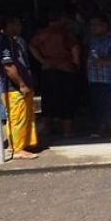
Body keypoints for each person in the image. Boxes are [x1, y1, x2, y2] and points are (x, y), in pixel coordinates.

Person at [30, 9, 81, 138]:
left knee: (48, 100)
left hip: (47, 68)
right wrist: (76, 64)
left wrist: (42, 60)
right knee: (66, 100)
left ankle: (47, 128)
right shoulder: (66, 33)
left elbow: (31, 45)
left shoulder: (42, 33)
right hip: (65, 68)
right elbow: (75, 49)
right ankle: (67, 131)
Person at [0, 15, 38, 160]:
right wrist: (21, 84)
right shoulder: (4, 43)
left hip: (21, 85)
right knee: (17, 119)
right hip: (13, 88)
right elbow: (8, 66)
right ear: (10, 25)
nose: (20, 28)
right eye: (17, 24)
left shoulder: (13, 41)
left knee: (25, 117)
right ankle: (17, 149)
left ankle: (22, 144)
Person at [87, 13, 111, 137]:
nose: (92, 27)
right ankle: (97, 128)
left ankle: (106, 130)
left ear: (104, 25)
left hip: (109, 79)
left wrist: (103, 62)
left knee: (107, 106)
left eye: (95, 25)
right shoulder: (93, 39)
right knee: (96, 105)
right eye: (91, 25)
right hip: (94, 78)